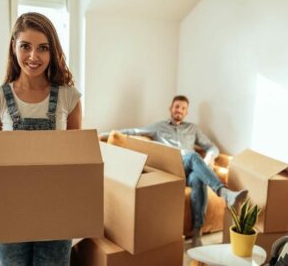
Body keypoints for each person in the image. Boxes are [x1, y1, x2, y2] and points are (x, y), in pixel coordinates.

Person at [0, 12, 82, 266]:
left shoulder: (69, 98)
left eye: (43, 48)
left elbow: (77, 161)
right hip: (9, 211)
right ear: (14, 47)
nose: (34, 57)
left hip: (56, 209)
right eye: (25, 46)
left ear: (53, 52)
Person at [100, 95, 247, 247]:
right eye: (177, 107)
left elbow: (212, 147)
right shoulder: (159, 127)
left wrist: (209, 158)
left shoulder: (193, 129)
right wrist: (105, 135)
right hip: (172, 168)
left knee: (198, 179)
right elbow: (134, 131)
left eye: (183, 108)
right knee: (190, 155)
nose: (179, 110)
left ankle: (197, 233)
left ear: (186, 112)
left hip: (190, 170)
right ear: (171, 108)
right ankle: (224, 193)